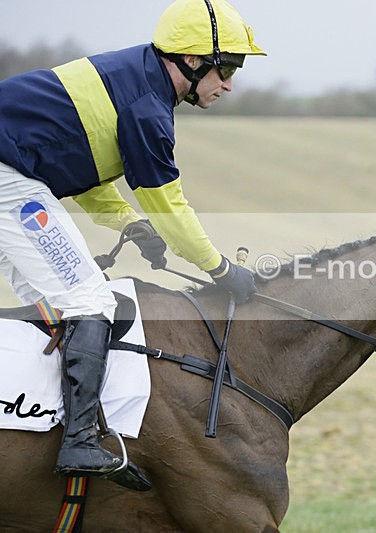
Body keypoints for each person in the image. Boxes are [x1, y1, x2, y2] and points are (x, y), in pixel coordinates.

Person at [0, 0, 261, 486]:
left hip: (15, 174)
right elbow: (169, 206)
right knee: (89, 301)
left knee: (51, 308)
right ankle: (78, 443)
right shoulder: (148, 108)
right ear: (191, 59)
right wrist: (221, 270)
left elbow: (81, 166)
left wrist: (127, 224)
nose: (229, 83)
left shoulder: (133, 78)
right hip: (9, 179)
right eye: (226, 68)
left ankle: (37, 431)